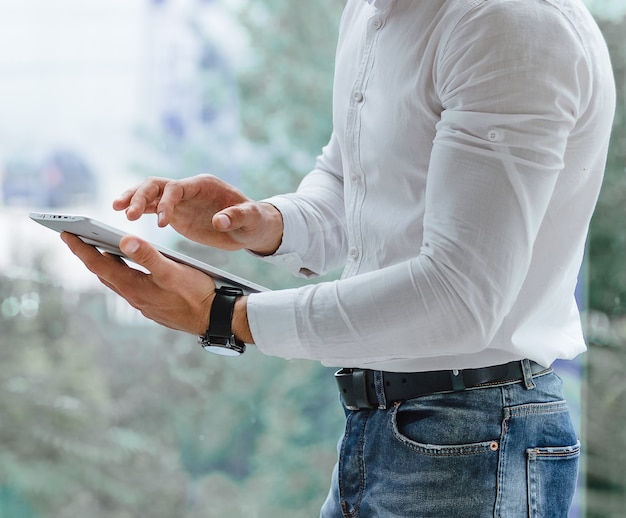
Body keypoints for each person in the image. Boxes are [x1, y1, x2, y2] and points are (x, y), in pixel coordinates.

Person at [62, 0, 615, 515]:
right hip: (385, 426)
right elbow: (352, 181)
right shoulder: (372, 11)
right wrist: (265, 225)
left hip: (476, 437)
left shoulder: (509, 24)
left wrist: (228, 317)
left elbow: (460, 296)